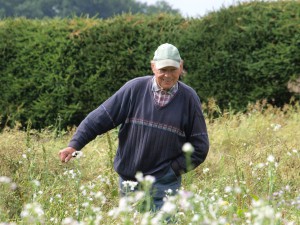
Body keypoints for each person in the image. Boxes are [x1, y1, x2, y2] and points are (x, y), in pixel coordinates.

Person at [59, 43, 209, 211]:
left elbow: (200, 146)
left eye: (173, 69)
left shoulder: (189, 98)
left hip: (164, 185)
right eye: (162, 69)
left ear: (180, 67)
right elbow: (101, 117)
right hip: (129, 182)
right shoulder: (134, 89)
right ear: (153, 67)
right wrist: (75, 144)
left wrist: (172, 171)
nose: (167, 75)